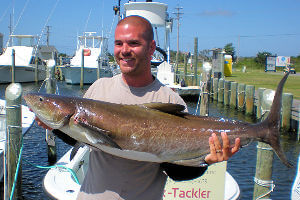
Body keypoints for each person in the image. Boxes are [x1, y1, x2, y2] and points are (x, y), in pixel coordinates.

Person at [37, 16, 240, 200]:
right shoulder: (99, 88)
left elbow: (174, 171)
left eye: (133, 43)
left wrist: (205, 161)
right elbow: (82, 137)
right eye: (118, 43)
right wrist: (53, 125)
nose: (124, 50)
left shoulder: (170, 99)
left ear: (151, 48)